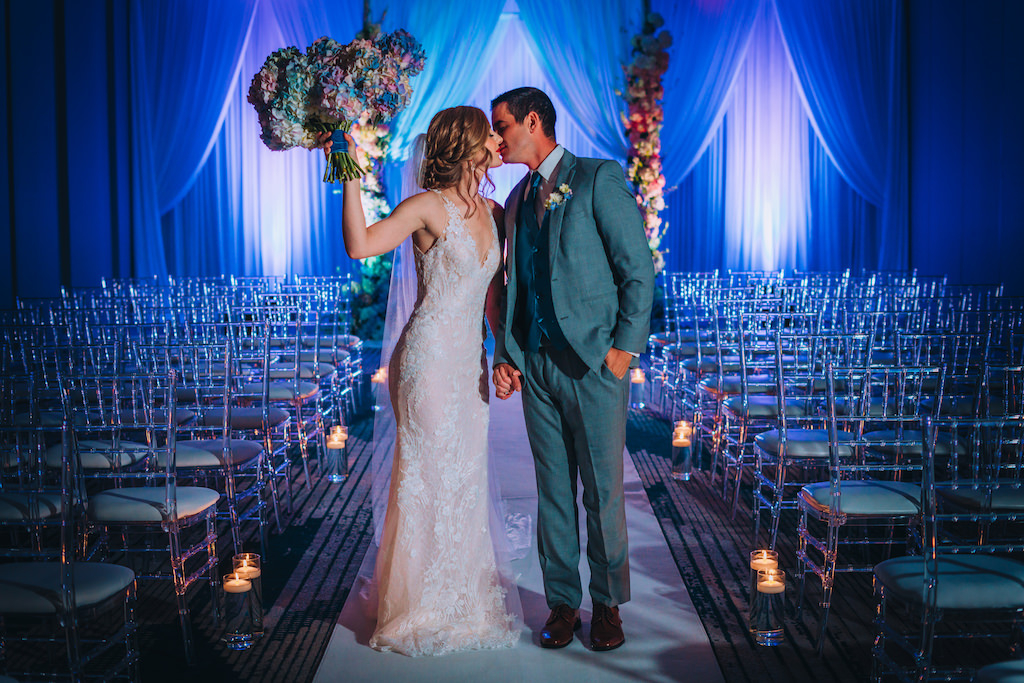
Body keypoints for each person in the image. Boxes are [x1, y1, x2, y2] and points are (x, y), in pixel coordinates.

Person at [320, 106, 520, 656]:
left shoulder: (497, 211)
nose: (498, 143)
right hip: (427, 360)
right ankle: (415, 605)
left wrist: (504, 355)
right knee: (427, 473)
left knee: (464, 475)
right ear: (468, 145)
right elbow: (360, 245)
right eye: (489, 135)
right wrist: (350, 172)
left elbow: (495, 299)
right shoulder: (426, 206)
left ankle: (461, 597)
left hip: (469, 363)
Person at [490, 87, 655, 652]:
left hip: (594, 365)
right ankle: (563, 603)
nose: (496, 137)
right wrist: (507, 353)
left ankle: (607, 604)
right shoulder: (514, 200)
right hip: (536, 363)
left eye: (502, 125)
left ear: (532, 122)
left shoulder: (596, 177)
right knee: (552, 492)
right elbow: (512, 287)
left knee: (603, 492)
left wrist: (623, 350)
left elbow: (637, 268)